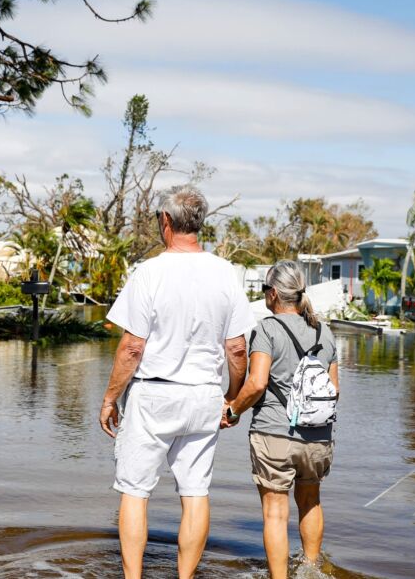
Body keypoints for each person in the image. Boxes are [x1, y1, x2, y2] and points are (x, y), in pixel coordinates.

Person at [98, 185, 253, 579]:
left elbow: (132, 347)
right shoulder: (225, 273)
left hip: (154, 394)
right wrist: (230, 400)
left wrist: (110, 398)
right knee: (195, 492)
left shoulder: (149, 272)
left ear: (165, 221)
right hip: (204, 396)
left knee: (135, 491)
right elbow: (236, 350)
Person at [222, 260, 340, 579]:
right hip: (318, 437)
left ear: (273, 293)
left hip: (275, 434)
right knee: (311, 502)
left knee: (275, 513)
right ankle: (311, 571)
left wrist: (233, 410)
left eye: (264, 290)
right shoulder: (324, 332)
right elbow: (335, 390)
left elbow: (257, 382)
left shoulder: (267, 329)